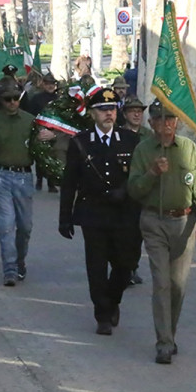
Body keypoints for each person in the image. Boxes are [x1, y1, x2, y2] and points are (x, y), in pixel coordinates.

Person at [128, 100, 196, 365]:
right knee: (161, 282)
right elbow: (134, 190)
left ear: (176, 123)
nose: (165, 125)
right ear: (150, 123)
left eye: (170, 120)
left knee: (177, 286)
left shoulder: (188, 149)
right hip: (154, 221)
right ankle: (163, 342)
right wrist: (152, 173)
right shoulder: (143, 151)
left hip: (184, 224)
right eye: (158, 120)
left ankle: (171, 333)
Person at [58, 88, 142, 335]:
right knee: (96, 266)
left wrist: (125, 191)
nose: (109, 114)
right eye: (103, 110)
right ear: (92, 114)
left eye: (112, 109)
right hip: (93, 212)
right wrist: (65, 218)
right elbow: (69, 182)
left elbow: (138, 174)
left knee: (125, 265)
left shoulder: (130, 140)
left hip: (123, 213)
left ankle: (113, 299)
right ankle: (102, 314)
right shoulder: (80, 142)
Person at [0, 80, 54, 286]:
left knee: (25, 226)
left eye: (15, 99)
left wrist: (51, 138)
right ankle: (9, 268)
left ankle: (20, 261)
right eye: (7, 99)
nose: (12, 103)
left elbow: (43, 149)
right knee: (6, 226)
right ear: (1, 101)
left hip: (24, 178)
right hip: (0, 178)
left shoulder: (30, 121)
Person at [120, 95, 151, 285]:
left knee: (138, 234)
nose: (137, 115)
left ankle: (132, 266)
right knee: (124, 233)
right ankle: (124, 267)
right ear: (125, 114)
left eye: (139, 112)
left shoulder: (148, 135)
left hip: (143, 190)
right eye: (133, 111)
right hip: (123, 190)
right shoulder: (119, 134)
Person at [28, 73, 60, 192]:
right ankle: (39, 180)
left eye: (52, 84)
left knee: (52, 156)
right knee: (40, 156)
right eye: (48, 84)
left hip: (55, 130)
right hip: (40, 129)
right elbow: (31, 114)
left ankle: (51, 184)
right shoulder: (37, 98)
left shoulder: (59, 99)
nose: (50, 86)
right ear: (43, 84)